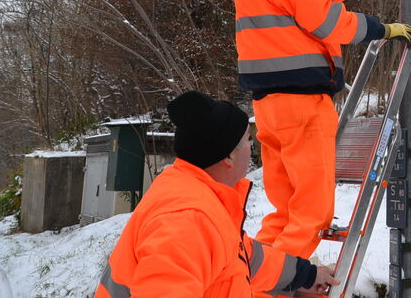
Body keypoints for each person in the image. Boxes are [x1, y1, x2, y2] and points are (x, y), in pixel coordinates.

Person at [234, 0, 411, 259]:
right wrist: (379, 29)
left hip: (269, 106)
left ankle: (249, 281)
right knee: (312, 216)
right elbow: (323, 18)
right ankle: (278, 287)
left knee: (285, 213)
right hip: (301, 102)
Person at [94, 91, 339, 298]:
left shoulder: (201, 197)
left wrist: (306, 276)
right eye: (247, 143)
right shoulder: (187, 221)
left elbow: (247, 258)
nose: (251, 150)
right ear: (228, 157)